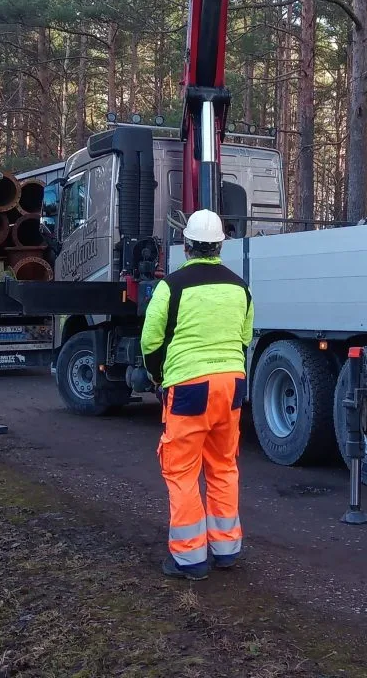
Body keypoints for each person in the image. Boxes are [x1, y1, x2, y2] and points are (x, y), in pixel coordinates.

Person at [141, 209, 254, 581]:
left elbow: (151, 340)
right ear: (220, 246)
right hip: (232, 384)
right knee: (223, 466)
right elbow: (244, 338)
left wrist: (158, 376)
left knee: (182, 471)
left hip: (189, 387)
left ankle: (190, 559)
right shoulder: (240, 287)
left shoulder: (171, 286)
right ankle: (226, 549)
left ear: (186, 245)